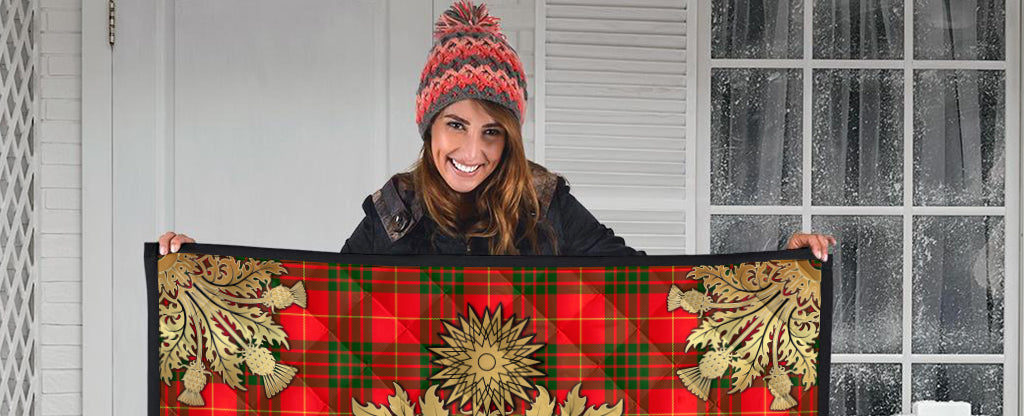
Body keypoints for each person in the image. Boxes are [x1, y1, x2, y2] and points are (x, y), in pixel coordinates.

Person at [159, 2, 835, 262]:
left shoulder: (545, 203)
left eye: (492, 133)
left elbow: (651, 287)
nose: (473, 151)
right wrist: (198, 271)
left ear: (511, 137)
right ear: (429, 126)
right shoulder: (394, 211)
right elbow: (320, 312)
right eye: (456, 126)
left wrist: (777, 266)